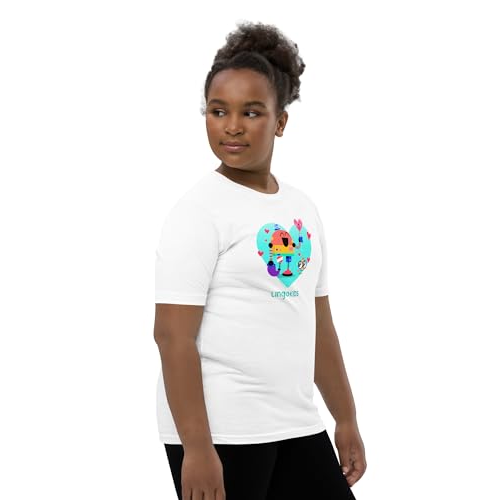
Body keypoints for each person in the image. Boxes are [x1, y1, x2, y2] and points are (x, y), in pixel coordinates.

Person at [153, 20, 366, 500]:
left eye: (251, 112)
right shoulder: (198, 212)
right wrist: (197, 449)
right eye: (218, 111)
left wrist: (346, 417)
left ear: (280, 122)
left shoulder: (301, 207)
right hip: (224, 430)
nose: (232, 126)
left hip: (296, 423)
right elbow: (172, 336)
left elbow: (318, 323)